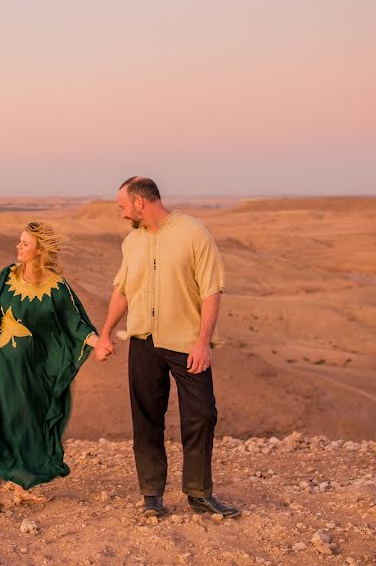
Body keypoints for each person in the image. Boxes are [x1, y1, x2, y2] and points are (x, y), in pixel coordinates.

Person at [95, 177, 240, 518]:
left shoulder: (193, 232)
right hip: (143, 343)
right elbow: (122, 291)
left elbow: (211, 290)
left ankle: (199, 493)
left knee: (202, 415)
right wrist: (105, 333)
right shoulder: (132, 242)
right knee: (146, 420)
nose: (121, 214)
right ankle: (151, 495)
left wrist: (203, 342)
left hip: (187, 344)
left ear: (140, 202)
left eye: (122, 206)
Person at [0, 221, 100, 519]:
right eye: (19, 241)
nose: (18, 247)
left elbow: (76, 324)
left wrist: (98, 342)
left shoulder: (56, 286)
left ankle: (21, 488)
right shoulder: (7, 276)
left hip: (36, 374)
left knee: (29, 426)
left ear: (40, 249)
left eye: (25, 243)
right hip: (2, 368)